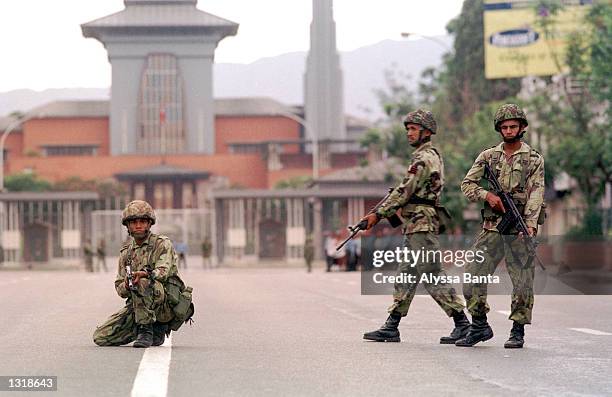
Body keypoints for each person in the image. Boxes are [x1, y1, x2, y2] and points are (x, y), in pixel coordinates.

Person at [361, 109, 469, 344]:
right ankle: (392, 325)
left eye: (413, 129)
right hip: (415, 223)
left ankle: (462, 323)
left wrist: (377, 214)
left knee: (430, 273)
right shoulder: (429, 156)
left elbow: (404, 191)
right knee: (407, 275)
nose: (409, 133)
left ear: (426, 132)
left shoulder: (423, 158)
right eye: (408, 129)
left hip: (421, 224)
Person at [456, 104, 545, 349]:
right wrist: (487, 196)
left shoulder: (534, 159)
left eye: (513, 126)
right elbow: (467, 184)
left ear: (522, 127)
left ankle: (517, 330)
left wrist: (528, 228)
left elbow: (536, 194)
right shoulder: (488, 157)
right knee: (473, 273)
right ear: (499, 129)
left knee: (522, 281)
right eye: (504, 127)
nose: (508, 130)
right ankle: (479, 325)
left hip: (519, 227)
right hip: (493, 227)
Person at [93, 200, 194, 348]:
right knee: (100, 337)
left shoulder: (162, 244)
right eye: (133, 222)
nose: (138, 225)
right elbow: (119, 288)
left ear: (149, 224)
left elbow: (163, 272)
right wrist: (127, 285)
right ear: (127, 226)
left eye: (142, 221)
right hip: (139, 304)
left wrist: (144, 274)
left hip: (164, 302)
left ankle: (148, 329)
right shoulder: (126, 253)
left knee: (142, 282)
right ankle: (151, 329)